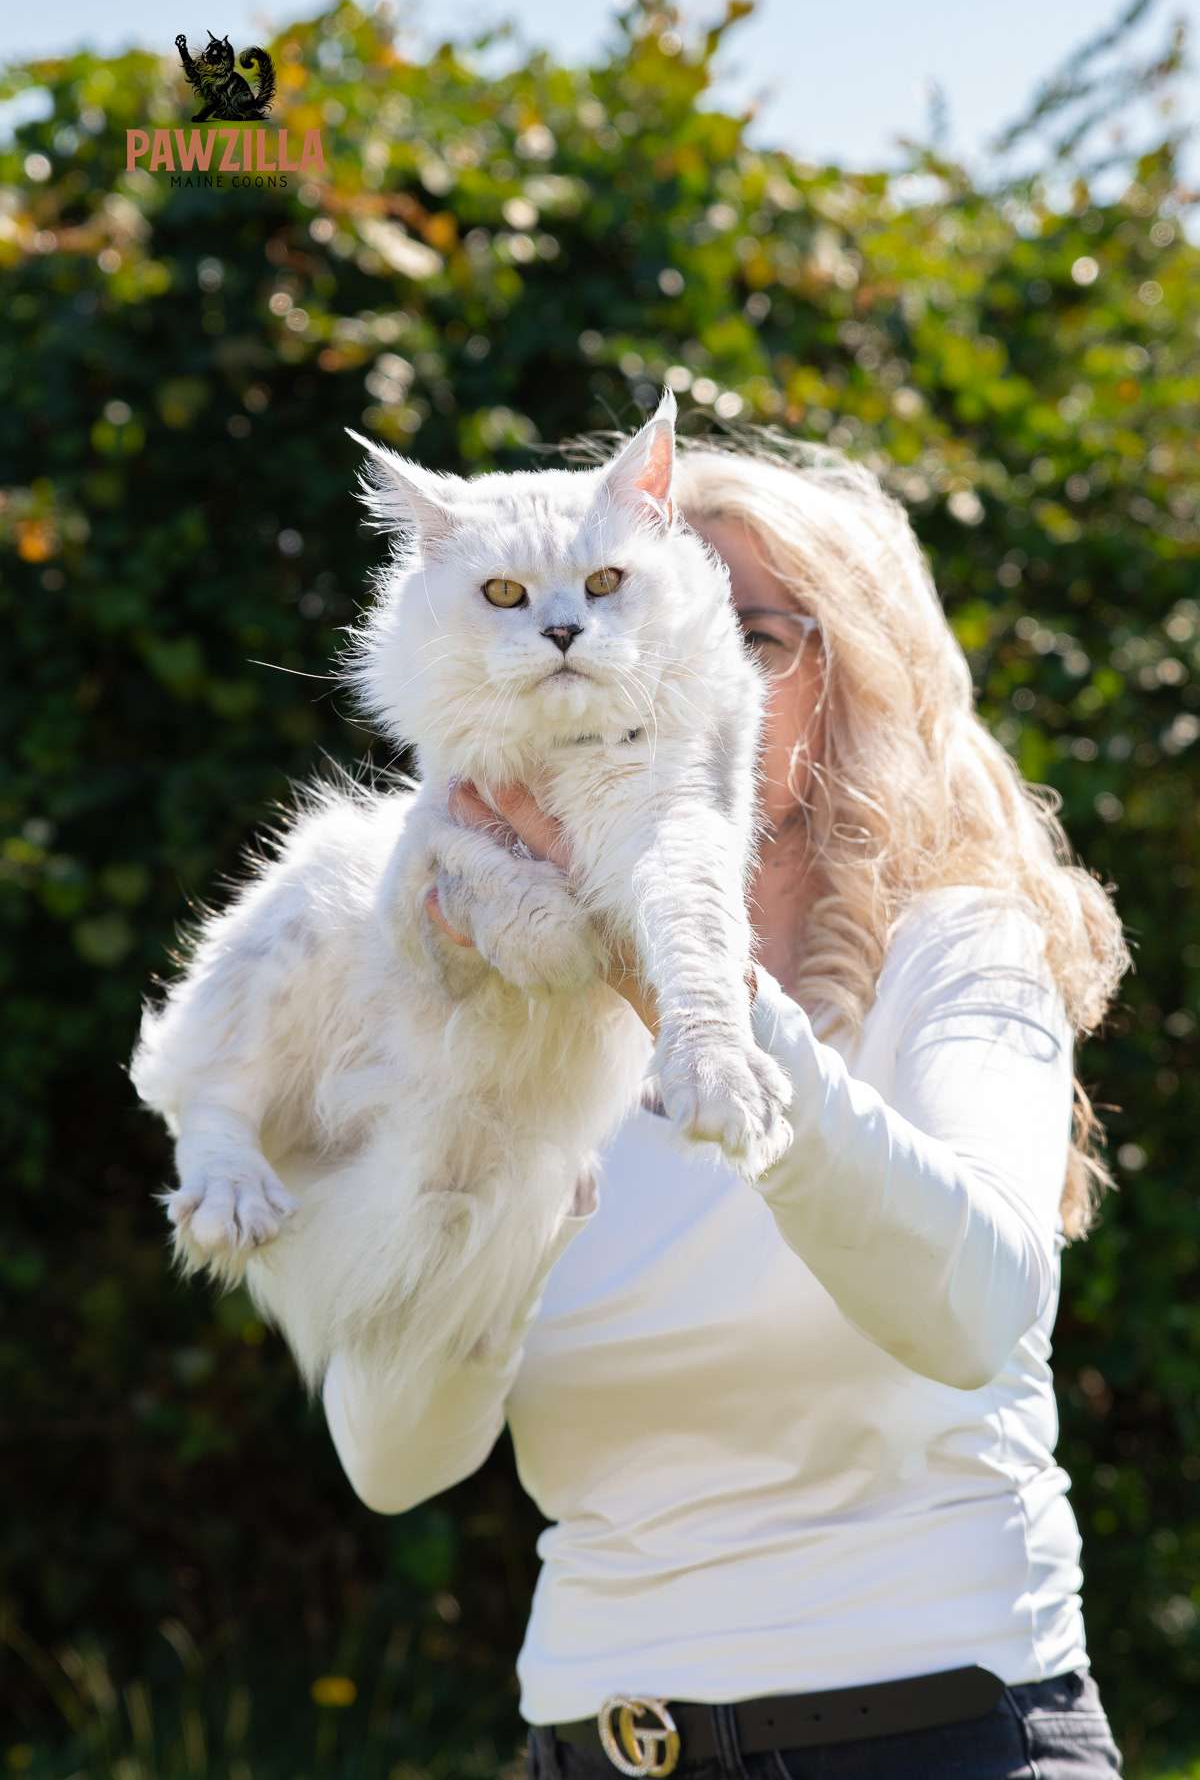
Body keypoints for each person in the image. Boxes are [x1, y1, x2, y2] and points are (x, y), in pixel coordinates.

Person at [321, 434, 1132, 1779]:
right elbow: (391, 1456)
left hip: (935, 1738)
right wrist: (493, 1147)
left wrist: (683, 992)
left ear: (855, 675)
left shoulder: (958, 950)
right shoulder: (477, 1004)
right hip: (586, 1746)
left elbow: (978, 1313)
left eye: (744, 633)